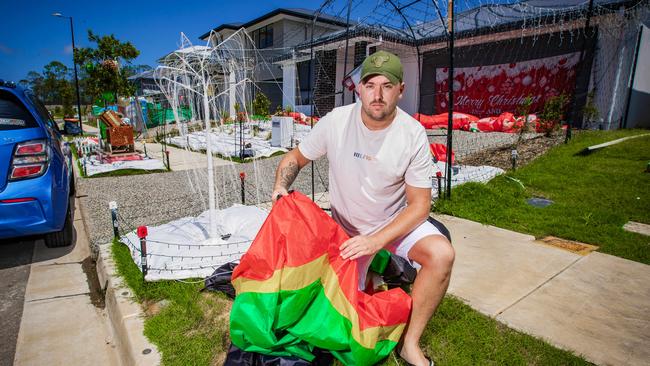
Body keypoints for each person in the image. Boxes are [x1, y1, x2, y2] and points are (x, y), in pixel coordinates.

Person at [271, 50, 454, 366]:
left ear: (401, 90)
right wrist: (280, 188)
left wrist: (376, 241)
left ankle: (409, 344)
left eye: (387, 85)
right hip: (346, 229)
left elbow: (420, 206)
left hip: (392, 225)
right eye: (370, 85)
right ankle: (365, 280)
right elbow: (294, 159)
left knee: (442, 255)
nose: (378, 94)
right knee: (335, 319)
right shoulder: (337, 121)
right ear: (358, 88)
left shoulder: (412, 134)